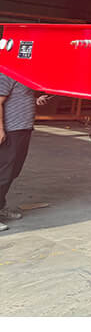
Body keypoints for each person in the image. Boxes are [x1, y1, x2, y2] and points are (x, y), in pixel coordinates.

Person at [0, 72, 49, 232]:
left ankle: (0, 206)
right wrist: (0, 128)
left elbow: (19, 97)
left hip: (23, 128)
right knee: (3, 173)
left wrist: (36, 100)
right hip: (10, 130)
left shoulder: (24, 73)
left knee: (12, 171)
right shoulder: (7, 73)